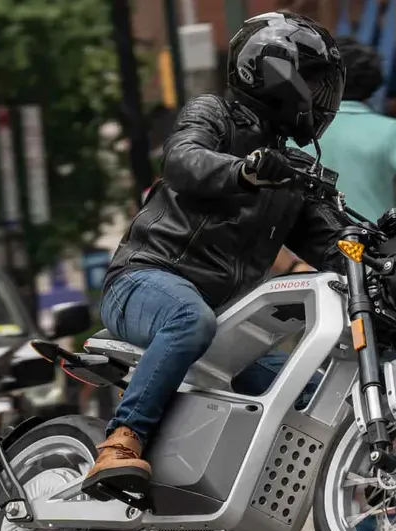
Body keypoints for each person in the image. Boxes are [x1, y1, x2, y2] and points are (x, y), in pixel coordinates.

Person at [89, 11, 346, 496]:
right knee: (189, 319)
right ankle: (122, 441)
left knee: (302, 389)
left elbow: (333, 241)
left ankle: (257, 507)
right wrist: (245, 170)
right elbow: (185, 160)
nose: (321, 99)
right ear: (277, 74)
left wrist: (388, 248)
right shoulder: (214, 115)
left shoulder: (290, 169)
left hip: (224, 319)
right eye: (313, 83)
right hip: (144, 282)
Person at [271, 35, 396, 275]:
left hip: (308, 272)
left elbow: (249, 208)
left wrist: (290, 265)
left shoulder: (286, 133)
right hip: (376, 269)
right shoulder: (391, 131)